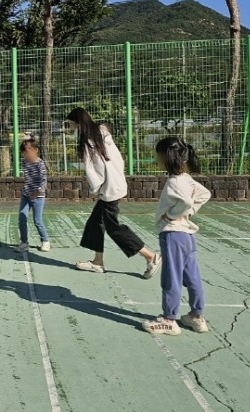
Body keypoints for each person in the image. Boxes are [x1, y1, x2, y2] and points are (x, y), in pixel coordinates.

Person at [66, 108, 161, 278]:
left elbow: (94, 169)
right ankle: (97, 262)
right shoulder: (102, 136)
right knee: (95, 223)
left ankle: (150, 256)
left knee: (113, 228)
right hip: (115, 184)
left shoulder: (89, 142)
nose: (70, 127)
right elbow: (118, 160)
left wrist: (96, 188)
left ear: (78, 123)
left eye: (71, 124)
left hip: (108, 189)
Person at [142, 137, 212, 335]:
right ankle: (196, 316)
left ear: (166, 157)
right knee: (192, 276)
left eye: (157, 156)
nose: (156, 159)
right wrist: (189, 212)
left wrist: (173, 214)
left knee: (171, 277)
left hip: (173, 233)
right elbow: (204, 194)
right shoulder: (187, 179)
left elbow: (186, 203)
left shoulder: (174, 182)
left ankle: (169, 320)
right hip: (187, 235)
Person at [16, 138, 50, 252]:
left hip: (38, 197)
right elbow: (27, 178)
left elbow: (44, 182)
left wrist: (37, 192)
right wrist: (27, 191)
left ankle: (45, 241)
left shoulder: (40, 164)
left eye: (28, 150)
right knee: (22, 218)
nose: (26, 154)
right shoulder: (24, 162)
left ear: (36, 150)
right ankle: (24, 242)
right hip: (26, 195)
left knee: (37, 221)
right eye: (24, 152)